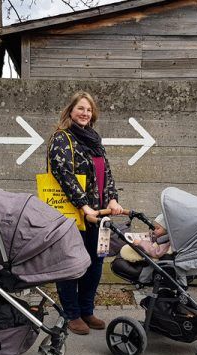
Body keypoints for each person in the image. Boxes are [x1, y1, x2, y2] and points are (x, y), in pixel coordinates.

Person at [49, 91, 124, 335]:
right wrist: (84, 206)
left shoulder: (95, 141)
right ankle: (71, 313)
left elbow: (107, 174)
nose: (85, 113)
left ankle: (87, 309)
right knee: (71, 264)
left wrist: (112, 198)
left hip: (99, 213)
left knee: (96, 263)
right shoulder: (62, 139)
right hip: (73, 215)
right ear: (70, 111)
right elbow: (64, 176)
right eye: (80, 108)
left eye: (89, 110)